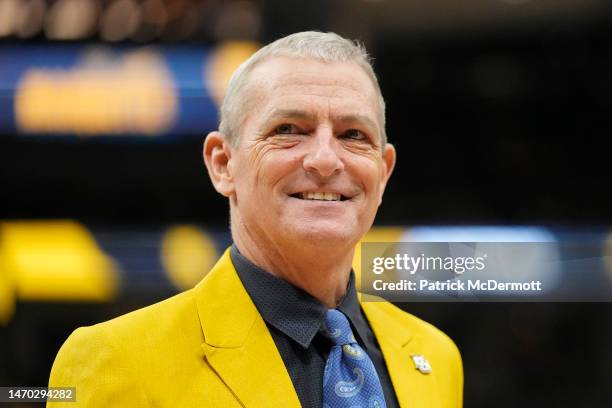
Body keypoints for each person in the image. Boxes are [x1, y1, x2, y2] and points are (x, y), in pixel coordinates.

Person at [48, 31, 462, 407]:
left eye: (353, 135)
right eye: (288, 129)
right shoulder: (114, 360)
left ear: (384, 171)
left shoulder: (435, 357)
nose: (324, 159)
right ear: (223, 163)